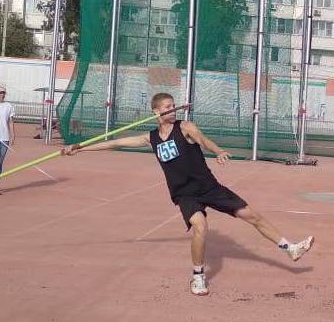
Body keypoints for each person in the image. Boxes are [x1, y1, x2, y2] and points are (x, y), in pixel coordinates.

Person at [62, 93, 314, 296]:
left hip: (208, 187)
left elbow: (203, 141)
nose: (173, 109)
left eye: (174, 106)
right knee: (200, 226)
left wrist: (218, 151)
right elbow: (115, 143)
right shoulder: (151, 138)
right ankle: (198, 277)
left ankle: (289, 248)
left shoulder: (185, 127)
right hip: (185, 194)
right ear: (156, 112)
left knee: (252, 215)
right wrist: (80, 148)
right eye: (168, 107)